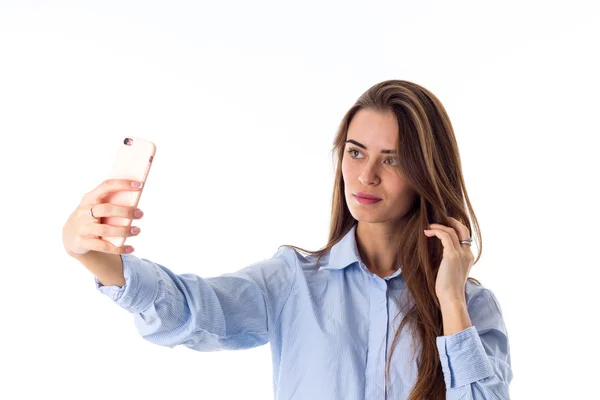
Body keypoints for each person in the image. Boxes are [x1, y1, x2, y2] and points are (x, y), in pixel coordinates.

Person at [63, 79, 513, 399]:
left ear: (426, 173)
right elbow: (197, 310)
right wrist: (98, 258)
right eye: (355, 152)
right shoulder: (293, 281)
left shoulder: (473, 308)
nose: (366, 175)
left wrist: (451, 303)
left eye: (391, 160)